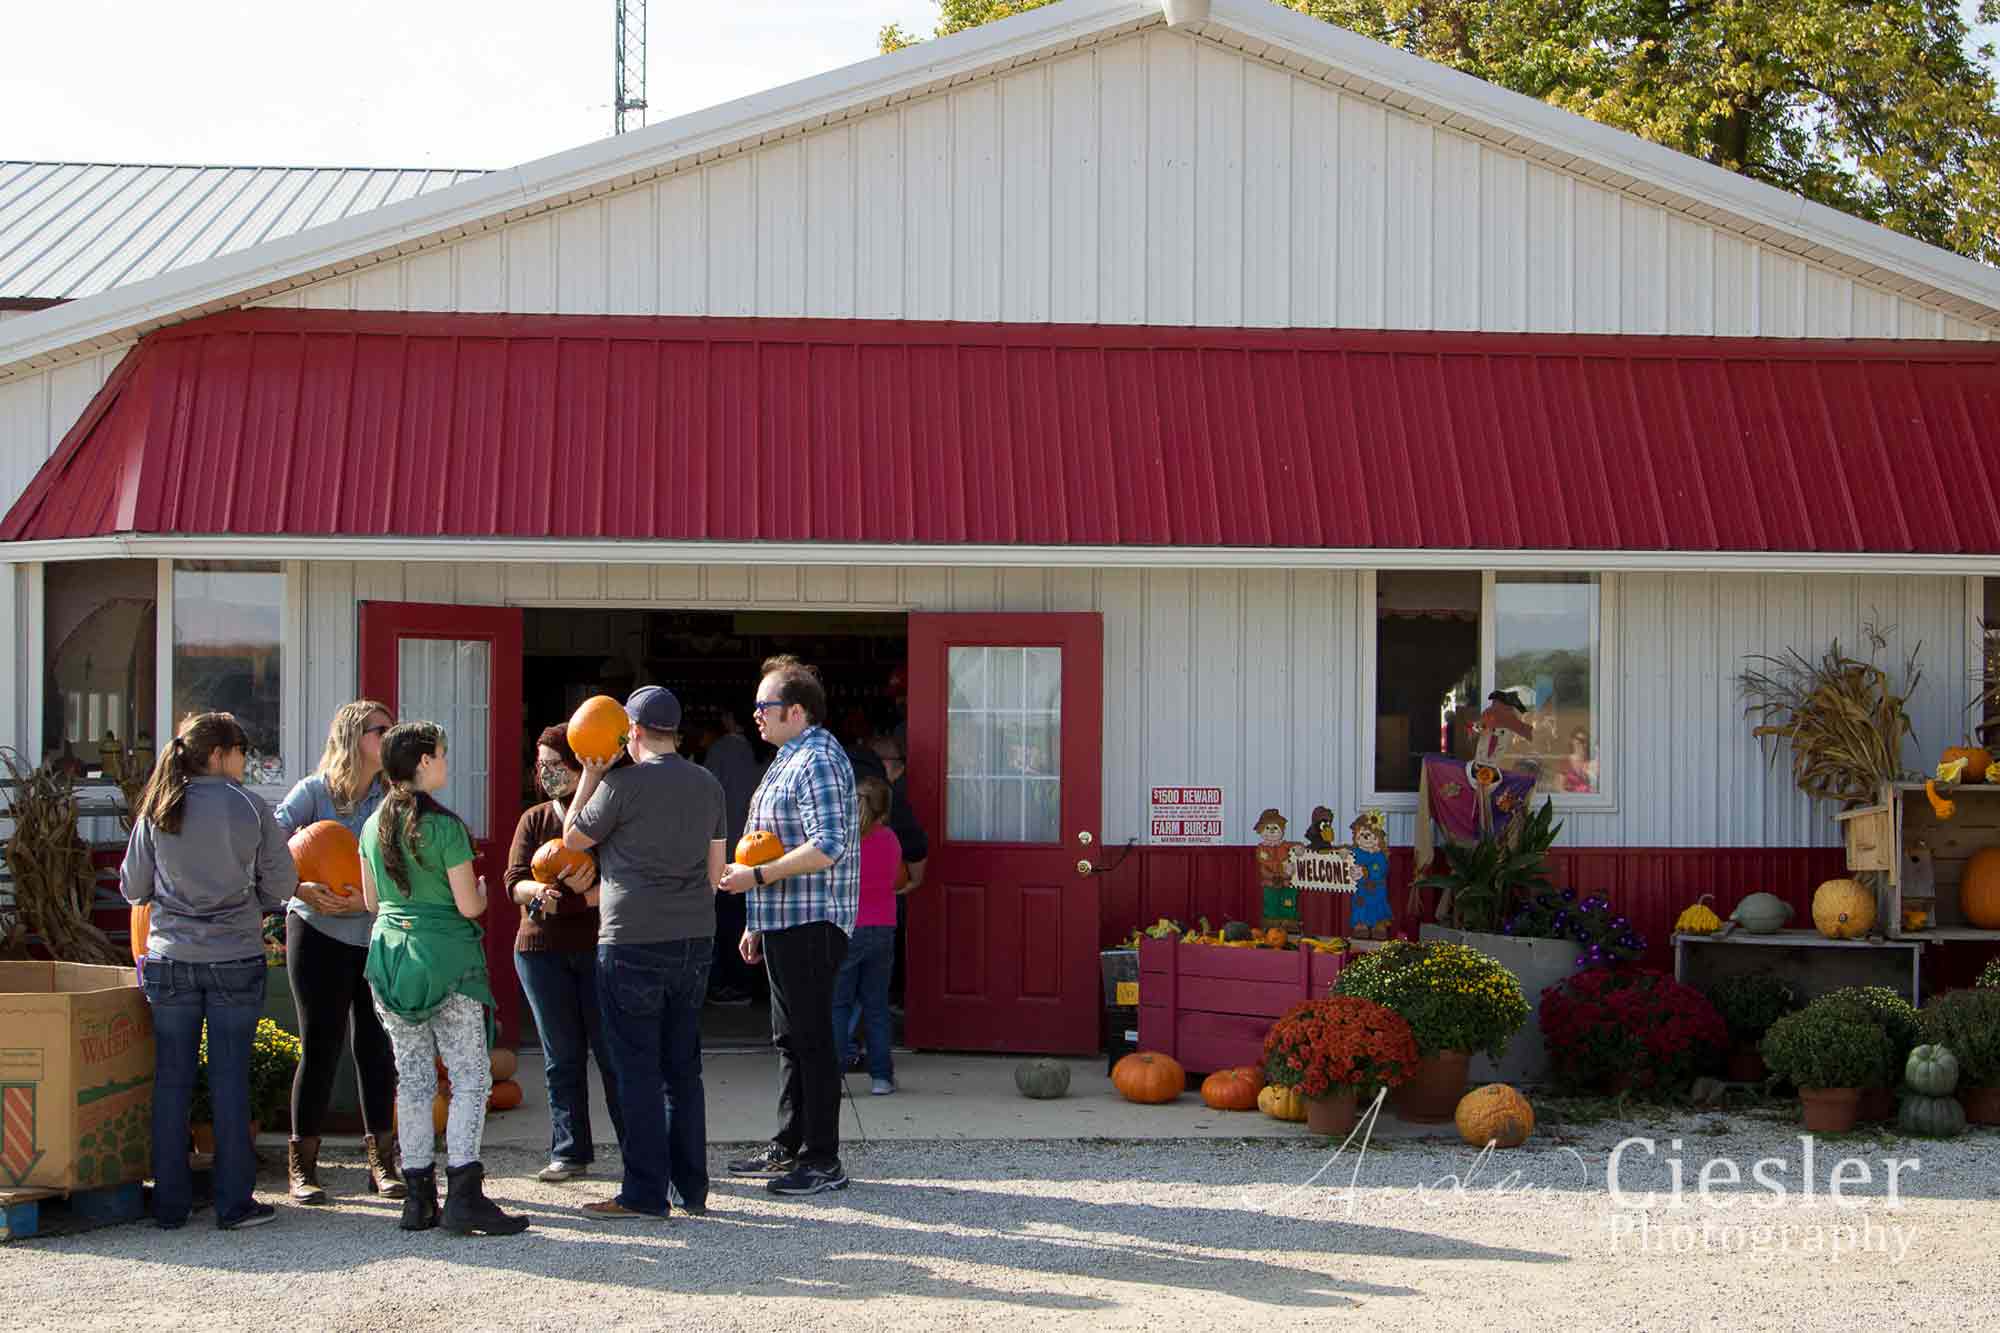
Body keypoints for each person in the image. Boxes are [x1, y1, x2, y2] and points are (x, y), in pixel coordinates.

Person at [120, 712, 296, 1231]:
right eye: (242, 750)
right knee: (229, 1080)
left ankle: (169, 1205)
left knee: (171, 1081)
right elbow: (282, 885)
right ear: (220, 754)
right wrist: (250, 899)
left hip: (170, 957)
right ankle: (234, 1203)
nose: (245, 759)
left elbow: (133, 887)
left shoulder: (159, 805)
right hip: (234, 956)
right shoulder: (249, 806)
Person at [563, 686, 727, 1220]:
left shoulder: (620, 784)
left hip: (631, 936)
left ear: (631, 731)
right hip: (694, 937)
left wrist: (590, 774)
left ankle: (643, 1194)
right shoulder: (708, 784)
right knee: (683, 1070)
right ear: (674, 731)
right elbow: (715, 872)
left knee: (636, 1070)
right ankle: (692, 1189)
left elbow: (572, 839)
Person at [360, 722, 528, 1236]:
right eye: (441, 754)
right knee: (470, 1077)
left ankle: (417, 1200)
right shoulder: (445, 827)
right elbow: (469, 906)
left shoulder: (371, 825)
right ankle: (464, 1195)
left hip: (391, 958)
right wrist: (482, 891)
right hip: (446, 959)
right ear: (423, 763)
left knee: (412, 1079)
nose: (446, 762)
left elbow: (371, 902)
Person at [718, 655, 859, 1197]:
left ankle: (822, 1159)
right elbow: (768, 838)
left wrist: (756, 877)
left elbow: (828, 845)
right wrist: (757, 920)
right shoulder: (788, 756)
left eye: (765, 705)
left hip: (812, 920)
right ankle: (788, 1144)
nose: (755, 713)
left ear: (796, 711)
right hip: (784, 918)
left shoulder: (818, 759)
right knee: (789, 1037)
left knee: (812, 1039)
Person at [273, 700, 403, 1205]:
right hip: (316, 932)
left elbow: (406, 865)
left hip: (374, 934)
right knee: (321, 1046)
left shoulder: (394, 797)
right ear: (354, 737)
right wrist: (299, 887)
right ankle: (303, 1166)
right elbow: (269, 850)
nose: (389, 737)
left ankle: (382, 1164)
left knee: (377, 1046)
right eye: (380, 730)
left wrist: (371, 899)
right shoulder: (312, 793)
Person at [505, 725, 623, 1184]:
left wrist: (571, 902)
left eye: (556, 764)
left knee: (612, 1052)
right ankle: (569, 1151)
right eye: (541, 766)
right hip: (541, 950)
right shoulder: (534, 819)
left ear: (579, 765)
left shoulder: (605, 816)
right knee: (561, 1055)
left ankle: (637, 1149)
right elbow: (514, 880)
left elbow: (618, 884)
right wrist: (537, 891)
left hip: (598, 948)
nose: (547, 774)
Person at [830, 776, 906, 1095]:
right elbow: (898, 881)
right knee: (876, 1005)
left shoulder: (841, 840)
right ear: (884, 811)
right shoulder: (890, 839)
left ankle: (833, 1076)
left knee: (838, 1004)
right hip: (883, 927)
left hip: (847, 927)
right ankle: (881, 1077)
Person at [702, 706, 760, 1006]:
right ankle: (745, 983)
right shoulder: (760, 753)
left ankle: (724, 984)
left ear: (728, 717)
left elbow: (703, 797)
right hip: (755, 852)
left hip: (722, 851)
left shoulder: (722, 750)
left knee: (722, 922)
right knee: (744, 919)